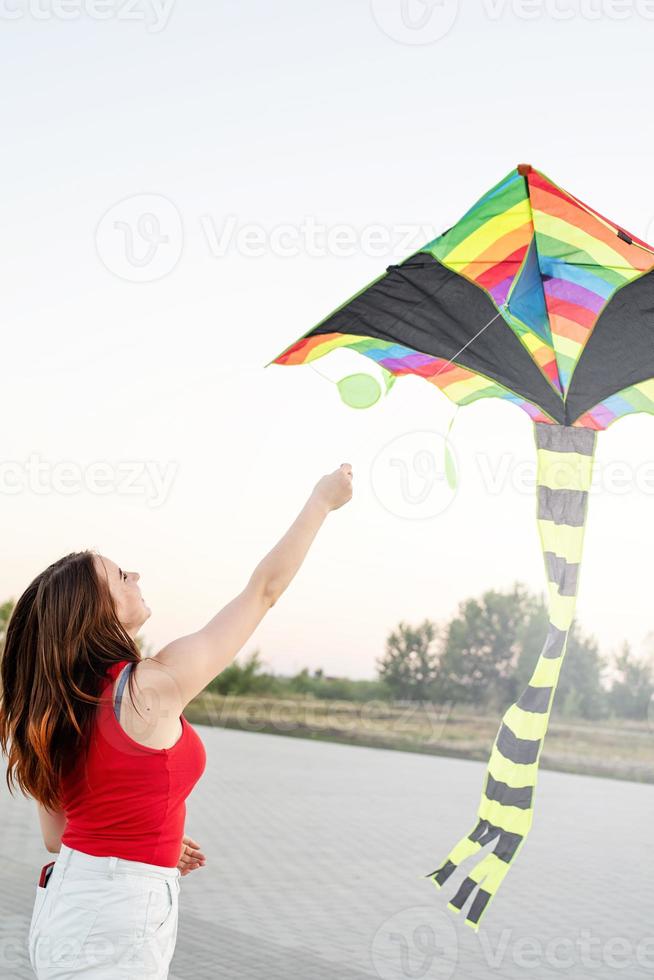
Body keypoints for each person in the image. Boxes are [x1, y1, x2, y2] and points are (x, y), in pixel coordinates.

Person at [0, 463, 353, 978]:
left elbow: (61, 836)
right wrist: (322, 501)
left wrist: (152, 840)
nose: (136, 575)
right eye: (121, 576)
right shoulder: (147, 686)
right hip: (116, 916)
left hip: (71, 903)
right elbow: (263, 592)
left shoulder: (57, 707)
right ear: (98, 611)